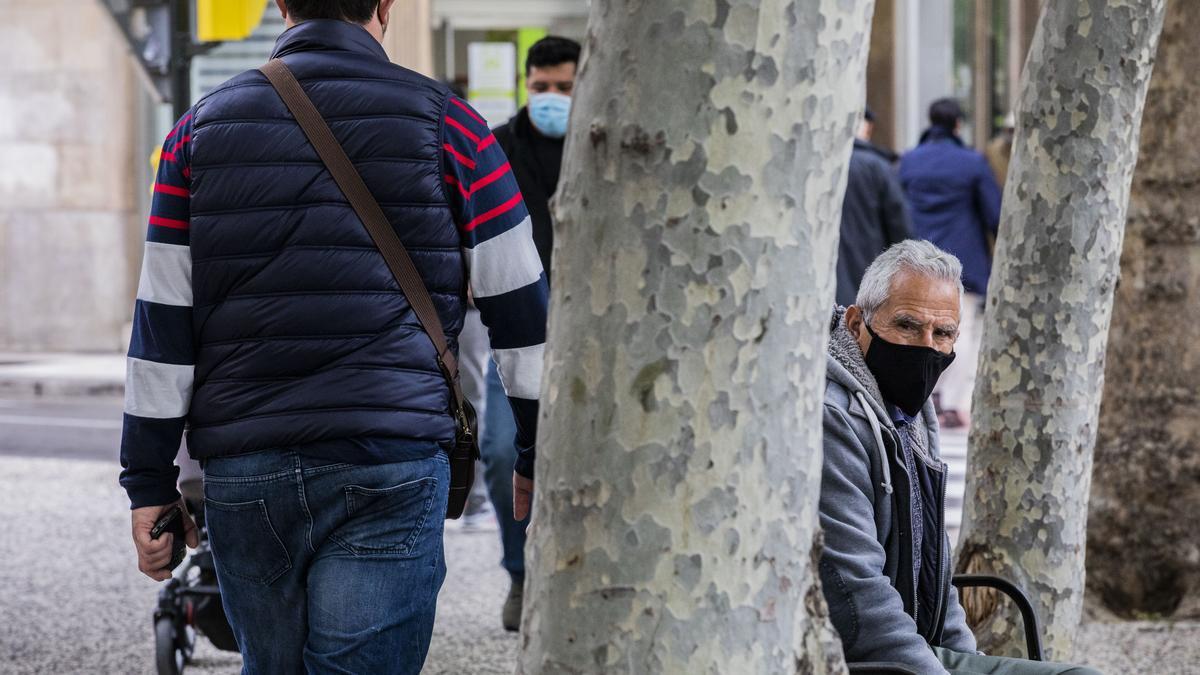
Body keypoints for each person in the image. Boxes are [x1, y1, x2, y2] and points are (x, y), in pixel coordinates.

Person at [118, 1, 548, 672]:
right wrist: (535, 446)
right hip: (390, 456)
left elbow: (161, 324)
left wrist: (148, 480)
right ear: (385, 5)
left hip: (245, 466)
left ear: (281, 5)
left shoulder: (194, 133)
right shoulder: (454, 126)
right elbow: (521, 309)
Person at [820, 241, 1099, 675]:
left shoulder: (909, 410)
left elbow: (932, 561)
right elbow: (856, 591)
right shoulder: (833, 415)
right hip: (869, 658)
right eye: (908, 326)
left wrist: (967, 658)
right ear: (857, 323)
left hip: (923, 650)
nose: (927, 347)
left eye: (943, 333)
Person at [477, 35, 581, 632]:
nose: (551, 98)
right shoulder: (496, 147)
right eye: (540, 87)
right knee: (499, 452)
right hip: (515, 327)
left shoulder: (607, 143)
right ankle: (521, 573)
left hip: (596, 330)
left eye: (564, 88)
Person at [899, 98, 1001, 428]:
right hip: (963, 263)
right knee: (961, 330)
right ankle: (952, 401)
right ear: (958, 125)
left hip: (916, 262)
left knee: (916, 329)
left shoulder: (908, 163)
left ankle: (925, 396)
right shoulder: (971, 163)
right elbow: (995, 214)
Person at [836, 108, 913, 306]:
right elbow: (900, 229)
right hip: (868, 278)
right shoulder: (877, 167)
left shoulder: (819, 163)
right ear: (867, 128)